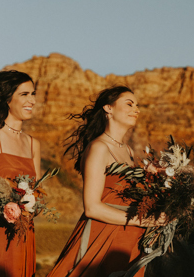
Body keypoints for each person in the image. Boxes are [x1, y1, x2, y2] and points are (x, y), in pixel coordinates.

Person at [48, 86, 166, 277]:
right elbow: (92, 208)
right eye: (129, 104)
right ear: (108, 108)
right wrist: (144, 220)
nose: (136, 109)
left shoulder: (127, 150)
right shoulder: (99, 147)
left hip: (128, 238)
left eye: (137, 105)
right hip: (102, 235)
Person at [0, 70, 41, 277]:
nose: (32, 100)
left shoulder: (33, 144)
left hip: (23, 234)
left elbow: (36, 193)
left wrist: (31, 204)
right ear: (7, 98)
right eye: (24, 94)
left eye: (33, 94)